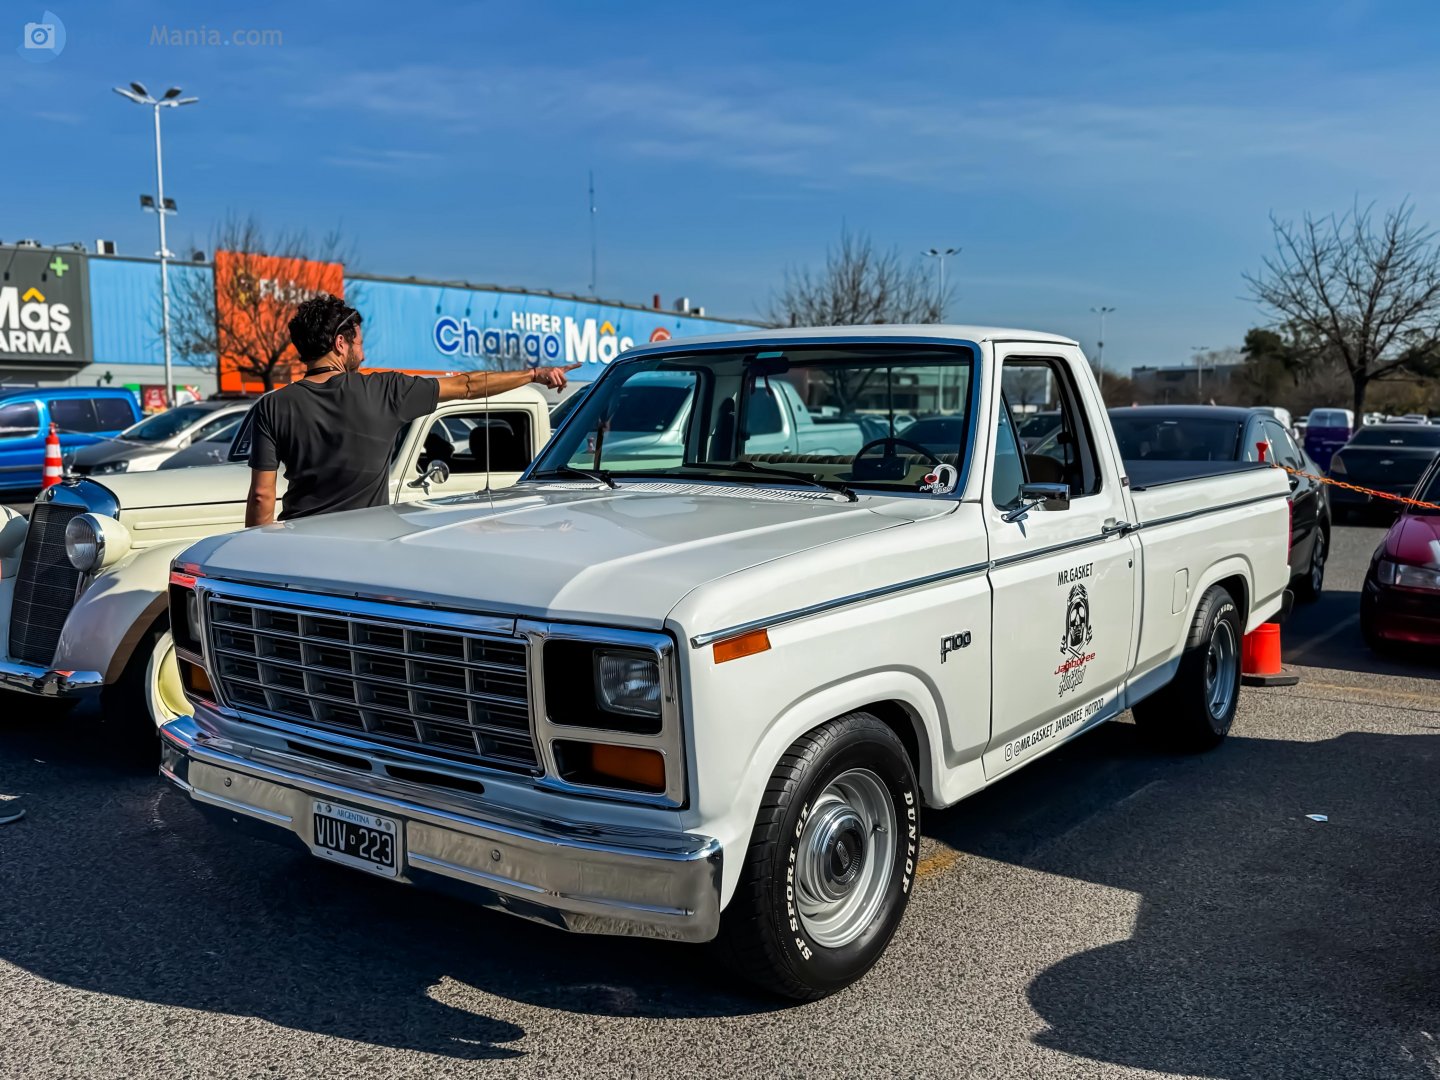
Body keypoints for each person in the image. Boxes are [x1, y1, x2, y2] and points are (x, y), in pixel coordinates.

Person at [246, 294, 578, 526]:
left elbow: (262, 496)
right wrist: (534, 375)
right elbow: (468, 385)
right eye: (359, 344)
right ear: (340, 344)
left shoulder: (273, 405)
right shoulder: (386, 389)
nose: (361, 355)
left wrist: (255, 554)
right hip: (362, 546)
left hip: (297, 544)